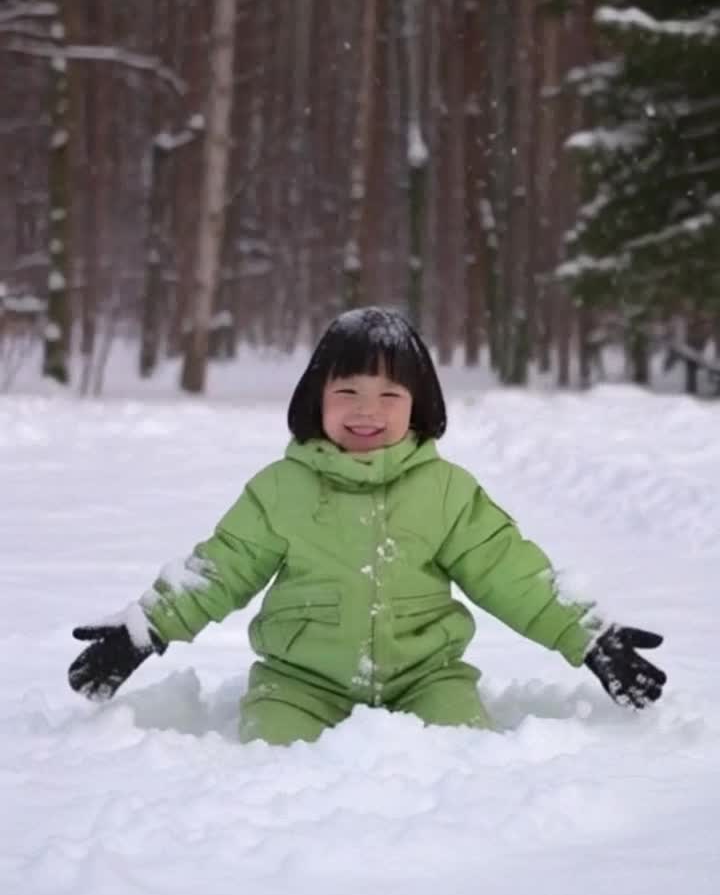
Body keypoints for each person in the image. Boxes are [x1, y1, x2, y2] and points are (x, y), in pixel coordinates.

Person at [68, 306, 667, 743]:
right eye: (347, 390)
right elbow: (218, 569)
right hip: (299, 682)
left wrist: (588, 636)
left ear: (418, 405)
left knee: (466, 752)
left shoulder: (446, 491)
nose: (366, 411)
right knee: (268, 760)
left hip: (426, 676)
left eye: (389, 395)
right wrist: (144, 628)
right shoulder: (281, 490)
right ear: (316, 399)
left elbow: (511, 572)